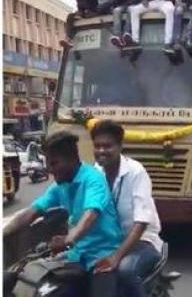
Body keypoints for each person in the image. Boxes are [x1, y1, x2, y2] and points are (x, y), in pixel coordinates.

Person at [2, 132, 123, 296]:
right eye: (47, 164)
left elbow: (90, 214)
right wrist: (4, 233)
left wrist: (68, 239)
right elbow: (31, 212)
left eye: (54, 163)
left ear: (72, 158)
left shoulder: (93, 179)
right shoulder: (60, 185)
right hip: (76, 256)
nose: (50, 170)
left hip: (102, 256)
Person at [91, 120, 163, 297]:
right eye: (97, 146)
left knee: (125, 270)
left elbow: (141, 222)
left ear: (120, 146)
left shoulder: (136, 172)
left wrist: (117, 257)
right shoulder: (95, 172)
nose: (101, 151)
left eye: (107, 146)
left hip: (143, 240)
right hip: (109, 241)